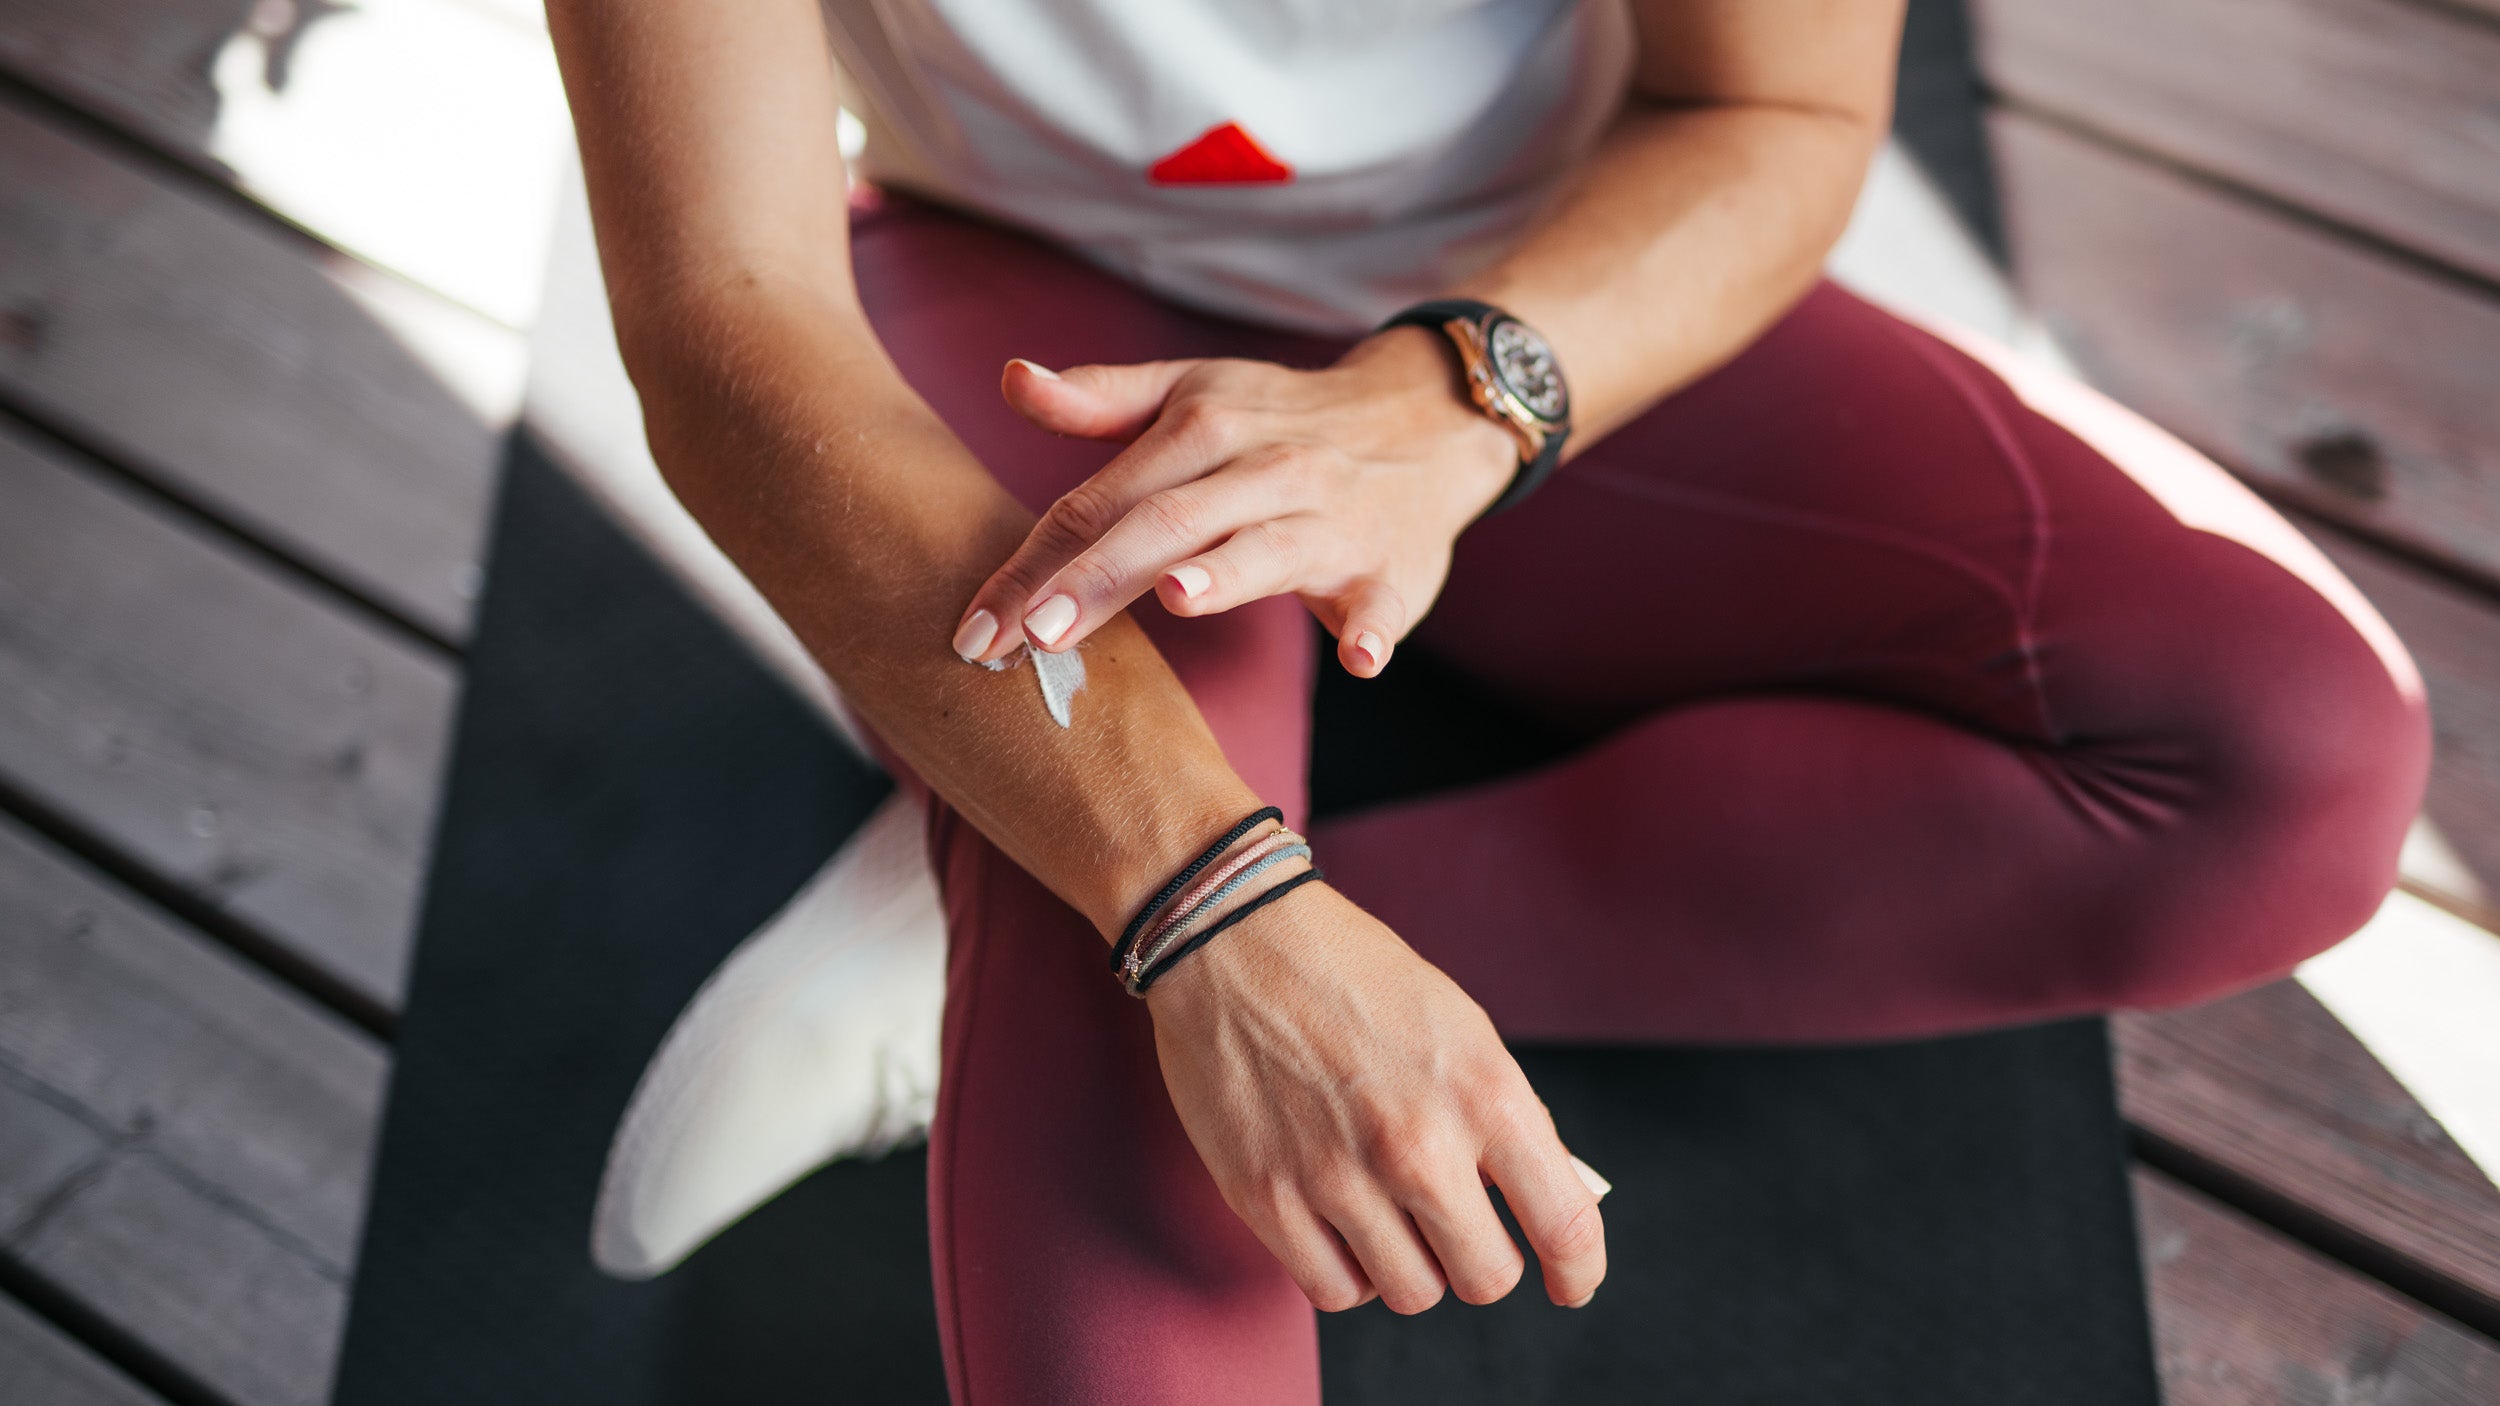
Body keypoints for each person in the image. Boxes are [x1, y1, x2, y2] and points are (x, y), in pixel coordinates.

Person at [544, 1, 2429, 1399]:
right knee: (1147, 1089)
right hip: (1020, 304)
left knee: (2293, 764)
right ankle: (1074, 898)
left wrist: (1449, 404)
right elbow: (727, 316)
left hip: (1536, 268)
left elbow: (1769, 104)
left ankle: (1027, 901)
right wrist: (1201, 899)